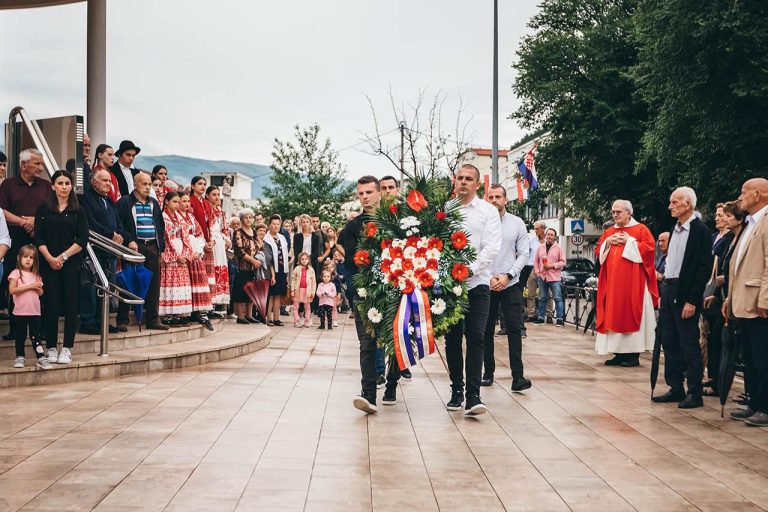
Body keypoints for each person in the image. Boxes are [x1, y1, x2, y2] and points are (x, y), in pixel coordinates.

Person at [443, 164, 501, 416]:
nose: (463, 182)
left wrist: (469, 269)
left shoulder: (488, 211)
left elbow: (491, 247)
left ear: (478, 185)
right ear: (454, 182)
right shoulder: (445, 210)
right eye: (460, 178)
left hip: (477, 284)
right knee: (453, 339)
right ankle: (457, 390)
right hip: (449, 287)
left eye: (469, 179)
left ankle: (473, 396)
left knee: (476, 336)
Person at [652, 187, 712, 409]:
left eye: (675, 202)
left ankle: (694, 392)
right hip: (668, 288)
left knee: (688, 342)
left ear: (688, 204)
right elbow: (673, 262)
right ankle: (675, 387)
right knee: (669, 339)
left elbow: (703, 268)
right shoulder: (674, 229)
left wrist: (692, 300)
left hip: (685, 291)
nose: (670, 206)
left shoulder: (700, 231)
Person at [349, 176, 400, 414]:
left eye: (369, 192)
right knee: (367, 343)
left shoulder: (395, 222)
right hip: (365, 293)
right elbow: (351, 263)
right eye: (360, 193)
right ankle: (368, 393)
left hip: (394, 290)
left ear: (379, 193)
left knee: (395, 342)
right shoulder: (352, 227)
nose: (364, 197)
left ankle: (392, 383)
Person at [724, 178, 768, 427]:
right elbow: (739, 266)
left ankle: (765, 406)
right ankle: (754, 402)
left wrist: (765, 299)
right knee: (750, 356)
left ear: (758, 194)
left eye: (744, 193)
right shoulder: (750, 223)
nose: (740, 197)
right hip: (743, 300)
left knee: (763, 356)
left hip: (758, 302)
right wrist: (730, 298)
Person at [594, 200, 659, 367]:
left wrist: (629, 241)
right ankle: (618, 354)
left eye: (619, 212)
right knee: (613, 314)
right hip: (613, 285)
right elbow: (598, 250)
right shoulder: (609, 231)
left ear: (629, 213)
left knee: (630, 312)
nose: (615, 215)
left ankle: (632, 355)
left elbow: (649, 250)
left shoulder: (640, 230)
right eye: (613, 212)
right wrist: (608, 242)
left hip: (633, 284)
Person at [35, 170, 90, 364]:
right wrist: (50, 258)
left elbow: (83, 238)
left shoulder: (78, 210)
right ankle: (51, 347)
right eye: (60, 183)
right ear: (53, 186)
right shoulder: (44, 209)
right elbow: (38, 236)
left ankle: (66, 347)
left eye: (67, 183)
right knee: (50, 305)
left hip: (71, 263)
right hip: (48, 263)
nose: (64, 187)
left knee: (69, 305)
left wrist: (63, 256)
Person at [482, 184, 532, 391]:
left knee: (514, 328)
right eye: (491, 197)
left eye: (498, 197)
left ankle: (518, 377)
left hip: (510, 283)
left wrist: (508, 275)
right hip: (486, 283)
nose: (494, 200)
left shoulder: (517, 223)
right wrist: (488, 277)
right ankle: (488, 373)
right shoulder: (482, 222)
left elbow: (523, 254)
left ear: (505, 200)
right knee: (485, 330)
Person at [0, 149, 50, 340]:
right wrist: (23, 222)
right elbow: (1, 211)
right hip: (15, 241)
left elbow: (52, 212)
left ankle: (41, 329)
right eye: (37, 163)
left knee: (40, 282)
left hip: (39, 241)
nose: (40, 167)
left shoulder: (46, 186)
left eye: (41, 163)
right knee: (15, 282)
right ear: (23, 164)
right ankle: (15, 329)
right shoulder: (8, 185)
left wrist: (35, 222)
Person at [115, 172, 170, 331]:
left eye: (149, 184)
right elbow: (119, 225)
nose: (147, 187)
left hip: (152, 246)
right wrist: (129, 240)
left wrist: (161, 248)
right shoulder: (125, 202)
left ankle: (153, 319)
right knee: (128, 282)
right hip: (134, 246)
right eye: (144, 184)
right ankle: (122, 319)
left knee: (153, 284)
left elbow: (160, 226)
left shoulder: (153, 203)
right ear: (135, 185)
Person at [78, 169, 124, 334]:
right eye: (104, 180)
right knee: (90, 285)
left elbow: (118, 223)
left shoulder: (109, 201)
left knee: (107, 286)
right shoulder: (85, 198)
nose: (108, 184)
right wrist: (110, 234)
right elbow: (89, 222)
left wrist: (122, 236)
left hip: (109, 251)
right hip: (93, 250)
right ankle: (88, 321)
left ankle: (101, 320)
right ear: (93, 182)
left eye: (109, 181)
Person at [9, 245, 50, 369]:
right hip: (20, 312)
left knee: (35, 336)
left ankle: (40, 356)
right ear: (19, 258)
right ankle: (20, 356)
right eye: (25, 257)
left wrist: (38, 289)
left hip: (35, 312)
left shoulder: (36, 276)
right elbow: (12, 290)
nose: (28, 260)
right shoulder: (16, 273)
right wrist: (30, 286)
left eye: (31, 257)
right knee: (20, 336)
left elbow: (41, 292)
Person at [177, 191, 213, 329]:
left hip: (195, 256)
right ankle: (186, 313)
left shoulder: (191, 218)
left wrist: (198, 251)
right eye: (183, 201)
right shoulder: (176, 218)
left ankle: (201, 313)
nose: (187, 204)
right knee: (187, 285)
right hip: (184, 256)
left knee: (198, 283)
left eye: (188, 202)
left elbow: (199, 234)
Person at [158, 192, 194, 327]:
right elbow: (165, 238)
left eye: (179, 202)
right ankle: (167, 315)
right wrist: (175, 256)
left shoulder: (179, 218)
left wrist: (185, 254)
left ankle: (177, 313)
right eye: (175, 202)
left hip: (181, 254)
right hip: (171, 256)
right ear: (166, 202)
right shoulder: (163, 217)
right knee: (170, 285)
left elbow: (185, 236)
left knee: (180, 286)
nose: (177, 205)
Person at [231, 209, 262, 324]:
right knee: (240, 291)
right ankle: (240, 316)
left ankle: (249, 315)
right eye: (246, 217)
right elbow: (239, 251)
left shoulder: (254, 232)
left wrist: (259, 259)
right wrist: (253, 260)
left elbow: (260, 246)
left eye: (250, 217)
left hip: (254, 268)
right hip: (242, 267)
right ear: (241, 219)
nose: (248, 220)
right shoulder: (238, 232)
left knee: (252, 291)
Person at [533, 228, 566, 326]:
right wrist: (537, 271)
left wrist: (552, 265)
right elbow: (536, 260)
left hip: (554, 277)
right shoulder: (540, 247)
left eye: (552, 235)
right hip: (542, 276)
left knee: (558, 298)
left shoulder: (558, 248)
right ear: (546, 235)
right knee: (542, 297)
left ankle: (560, 319)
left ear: (555, 237)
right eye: (548, 234)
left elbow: (563, 262)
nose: (549, 236)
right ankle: (541, 318)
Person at [205, 185, 231, 311]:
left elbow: (224, 227)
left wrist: (227, 239)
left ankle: (216, 303)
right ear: (207, 196)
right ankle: (209, 303)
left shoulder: (220, 211)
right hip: (211, 241)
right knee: (211, 272)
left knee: (220, 270)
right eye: (214, 194)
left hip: (220, 243)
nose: (217, 197)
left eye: (218, 194)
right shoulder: (206, 209)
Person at [264, 214, 289, 326]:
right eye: (273, 224)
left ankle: (277, 318)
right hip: (271, 270)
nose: (275, 226)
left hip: (282, 269)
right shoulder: (266, 239)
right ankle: (268, 317)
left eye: (278, 224)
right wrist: (272, 274)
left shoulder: (282, 238)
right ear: (269, 225)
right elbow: (268, 258)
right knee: (271, 294)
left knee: (278, 294)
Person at [526, 221, 546, 320]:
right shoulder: (532, 241)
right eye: (535, 229)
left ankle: (549, 314)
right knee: (531, 291)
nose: (535, 231)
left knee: (547, 293)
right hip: (533, 267)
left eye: (537, 229)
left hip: (546, 268)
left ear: (543, 229)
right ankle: (531, 313)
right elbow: (526, 253)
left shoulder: (549, 240)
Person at [290, 252, 316, 328]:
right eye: (302, 259)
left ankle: (307, 321)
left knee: (307, 306)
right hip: (297, 290)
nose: (304, 260)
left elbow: (314, 282)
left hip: (307, 291)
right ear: (299, 260)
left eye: (306, 259)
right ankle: (296, 321)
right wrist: (292, 290)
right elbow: (293, 280)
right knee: (295, 306)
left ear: (309, 260)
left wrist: (313, 292)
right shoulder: (296, 269)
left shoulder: (311, 270)